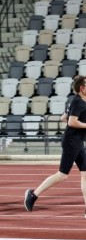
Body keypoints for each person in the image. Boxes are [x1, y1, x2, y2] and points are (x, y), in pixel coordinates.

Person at [25, 75, 86, 216]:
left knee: (85, 175)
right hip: (72, 142)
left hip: (77, 141)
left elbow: (63, 118)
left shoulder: (76, 100)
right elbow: (71, 122)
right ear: (82, 88)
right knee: (62, 175)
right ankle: (33, 194)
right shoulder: (78, 102)